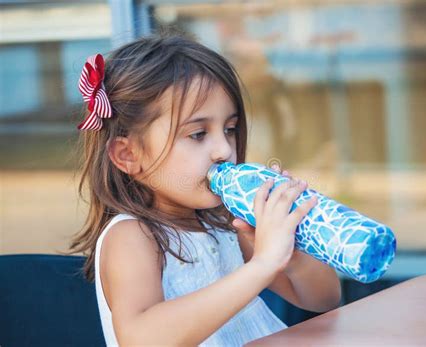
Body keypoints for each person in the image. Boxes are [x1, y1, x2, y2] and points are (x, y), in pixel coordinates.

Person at [68, 30, 341, 346]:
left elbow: (324, 299)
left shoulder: (225, 224)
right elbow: (141, 338)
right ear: (129, 155)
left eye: (229, 129)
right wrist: (263, 265)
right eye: (198, 134)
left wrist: (288, 253)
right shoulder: (133, 236)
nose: (224, 149)